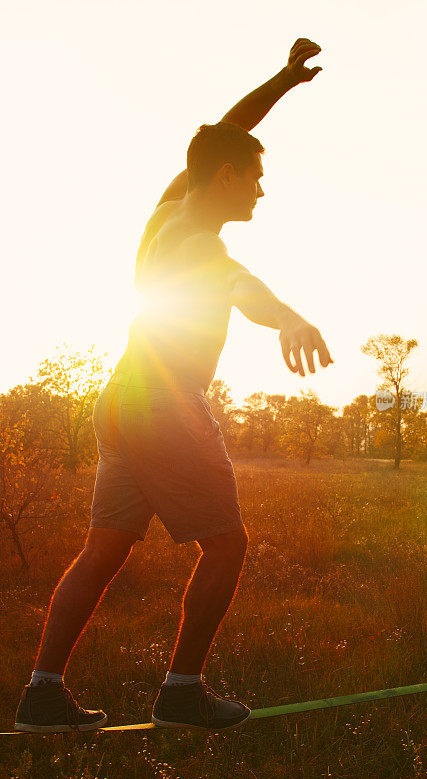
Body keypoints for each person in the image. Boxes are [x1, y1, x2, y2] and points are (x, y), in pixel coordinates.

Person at [14, 37, 333, 733]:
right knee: (227, 545)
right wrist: (288, 317)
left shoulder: (168, 210)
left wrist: (280, 81)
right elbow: (240, 286)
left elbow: (227, 129)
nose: (258, 187)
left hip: (120, 400)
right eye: (249, 177)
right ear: (220, 179)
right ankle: (182, 691)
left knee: (102, 549)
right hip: (164, 406)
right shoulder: (201, 246)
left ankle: (42, 694)